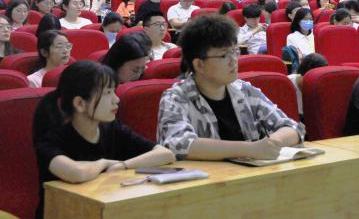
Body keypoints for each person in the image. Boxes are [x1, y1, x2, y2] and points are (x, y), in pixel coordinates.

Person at [33, 61, 175, 218]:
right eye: (107, 93)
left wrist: (123, 165)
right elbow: (76, 172)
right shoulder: (51, 139)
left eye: (114, 91)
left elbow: (165, 154)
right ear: (80, 103)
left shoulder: (113, 128)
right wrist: (105, 163)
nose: (116, 99)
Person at [157, 14, 304, 161]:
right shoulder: (176, 98)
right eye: (224, 55)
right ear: (199, 64)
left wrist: (271, 144)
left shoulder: (244, 90)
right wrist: (251, 149)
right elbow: (179, 144)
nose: (233, 61)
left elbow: (293, 128)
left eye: (234, 52)